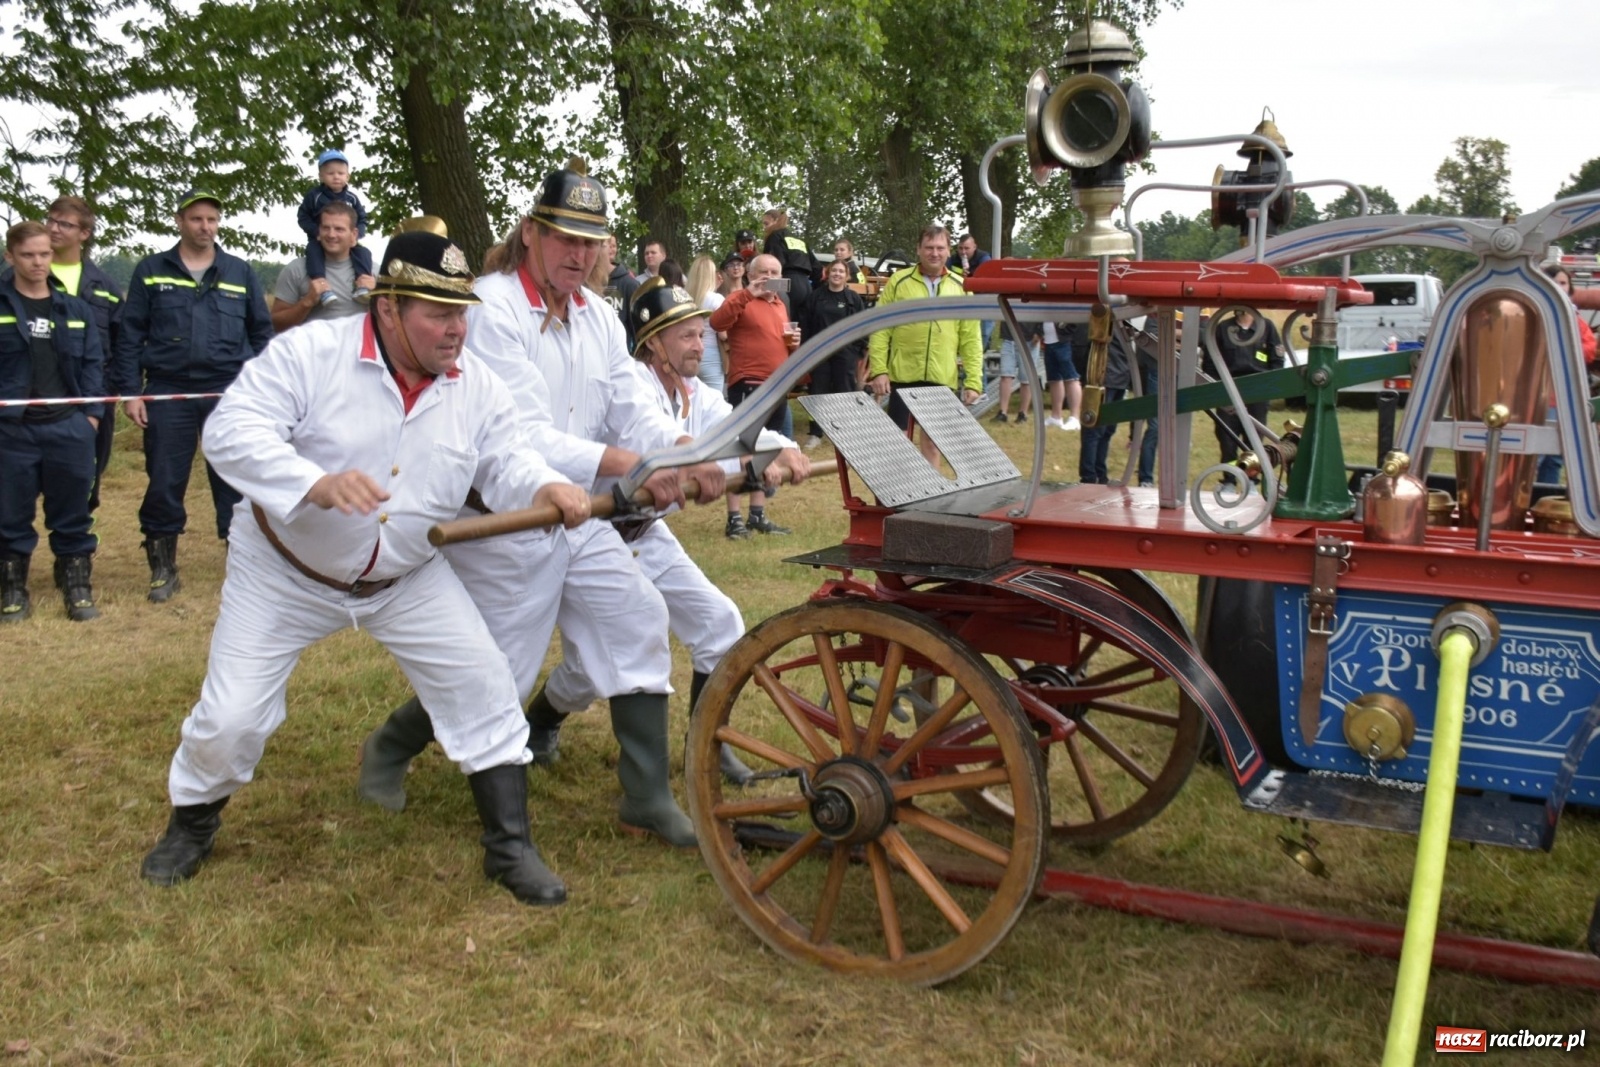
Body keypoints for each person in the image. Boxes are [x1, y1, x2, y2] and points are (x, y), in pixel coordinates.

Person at [137, 230, 590, 906]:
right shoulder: (310, 352)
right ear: (385, 307)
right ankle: (191, 823)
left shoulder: (477, 383)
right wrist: (308, 481)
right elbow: (230, 431)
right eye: (437, 312)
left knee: (485, 685)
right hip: (285, 570)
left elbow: (506, 457)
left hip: (407, 577)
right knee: (232, 716)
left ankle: (510, 847)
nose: (455, 328)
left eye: (461, 311)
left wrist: (545, 487)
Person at [358, 161, 729, 850]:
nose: (579, 255)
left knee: (637, 612)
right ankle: (389, 745)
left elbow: (630, 407)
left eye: (591, 242)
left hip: (580, 512)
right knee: (496, 670)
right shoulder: (491, 308)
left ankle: (644, 797)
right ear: (531, 232)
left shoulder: (597, 317)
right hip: (503, 516)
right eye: (565, 238)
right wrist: (634, 465)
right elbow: (523, 433)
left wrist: (679, 449)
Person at [627, 277, 810, 779]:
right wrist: (699, 456)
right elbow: (652, 433)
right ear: (653, 343)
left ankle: (706, 745)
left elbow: (734, 425)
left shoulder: (693, 391)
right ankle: (543, 723)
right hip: (595, 534)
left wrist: (778, 446)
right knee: (585, 666)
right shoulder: (631, 383)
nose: (699, 342)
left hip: (645, 531)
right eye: (685, 334)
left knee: (719, 621)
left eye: (699, 333)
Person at [110, 188, 273, 602]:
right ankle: (163, 568)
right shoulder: (151, 270)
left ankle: (244, 563)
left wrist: (259, 389)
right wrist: (132, 393)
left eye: (212, 220)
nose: (205, 227)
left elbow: (261, 334)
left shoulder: (240, 271)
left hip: (229, 392)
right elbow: (130, 335)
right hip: (169, 391)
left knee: (234, 481)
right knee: (165, 479)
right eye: (197, 219)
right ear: (180, 221)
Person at [0, 221, 106, 623]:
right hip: (12, 430)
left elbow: (95, 365)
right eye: (28, 255)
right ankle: (12, 590)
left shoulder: (74, 308)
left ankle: (77, 586)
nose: (38, 262)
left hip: (69, 428)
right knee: (9, 513)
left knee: (73, 512)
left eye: (44, 254)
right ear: (11, 257)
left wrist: (92, 417)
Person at [867, 224, 982, 465]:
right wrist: (879, 370)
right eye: (929, 247)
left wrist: (973, 381)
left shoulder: (961, 287)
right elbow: (880, 328)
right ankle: (898, 495)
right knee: (899, 441)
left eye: (940, 248)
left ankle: (932, 499)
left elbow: (971, 339)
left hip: (941, 376)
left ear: (948, 251)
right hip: (903, 374)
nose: (934, 253)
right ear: (918, 250)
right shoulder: (899, 282)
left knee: (933, 442)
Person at [42, 196, 122, 515]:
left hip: (90, 399)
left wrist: (109, 393)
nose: (53, 228)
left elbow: (123, 344)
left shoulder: (105, 287)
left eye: (64, 223)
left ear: (85, 233)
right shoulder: (16, 280)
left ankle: (76, 555)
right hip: (33, 397)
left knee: (84, 480)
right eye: (50, 220)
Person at [709, 253, 795, 537]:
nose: (770, 276)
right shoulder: (740, 299)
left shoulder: (780, 304)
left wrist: (794, 342)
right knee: (741, 449)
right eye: (765, 271)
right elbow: (716, 322)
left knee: (767, 448)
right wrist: (747, 293)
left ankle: (757, 514)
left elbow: (778, 343)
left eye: (775, 270)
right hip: (748, 384)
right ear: (750, 274)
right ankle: (734, 518)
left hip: (777, 385)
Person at [1537, 265, 1598, 484]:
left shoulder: (1575, 317)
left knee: (1555, 457)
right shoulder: (1534, 312)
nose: (1559, 287)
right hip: (1538, 396)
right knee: (1537, 453)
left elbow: (1589, 348)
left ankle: (1546, 498)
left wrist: (1564, 349)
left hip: (1565, 396)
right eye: (1555, 282)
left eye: (1563, 283)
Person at [797, 259, 867, 449]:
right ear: (827, 273)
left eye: (841, 271)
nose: (837, 274)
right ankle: (816, 433)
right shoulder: (815, 297)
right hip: (819, 353)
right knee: (817, 392)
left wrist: (858, 349)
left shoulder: (853, 298)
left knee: (845, 392)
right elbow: (805, 325)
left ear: (847, 275)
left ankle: (845, 433)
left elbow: (863, 326)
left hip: (845, 353)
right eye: (833, 270)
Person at [271, 202, 374, 329]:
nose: (331, 235)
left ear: (354, 235)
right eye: (326, 228)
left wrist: (378, 295)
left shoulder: (374, 272)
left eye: (339, 229)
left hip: (360, 348)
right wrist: (307, 302)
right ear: (319, 231)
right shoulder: (296, 270)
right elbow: (275, 324)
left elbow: (396, 323)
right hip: (310, 348)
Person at [1078, 317, 1155, 484]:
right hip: (1105, 378)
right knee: (1096, 430)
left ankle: (1098, 473)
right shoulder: (1111, 316)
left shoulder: (1126, 319)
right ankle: (1090, 476)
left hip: (1118, 377)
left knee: (1106, 431)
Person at [1203, 308, 1284, 464]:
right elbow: (1210, 363)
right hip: (1228, 391)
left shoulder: (1267, 327)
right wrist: (1216, 390)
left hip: (1257, 391)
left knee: (1254, 439)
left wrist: (1269, 387)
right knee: (1226, 437)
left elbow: (1277, 361)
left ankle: (1252, 478)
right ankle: (1229, 479)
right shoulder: (1223, 328)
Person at [297, 150, 373, 306]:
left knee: (364, 252)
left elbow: (362, 218)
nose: (336, 177)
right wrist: (315, 231)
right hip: (319, 240)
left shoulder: (352, 198)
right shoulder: (314, 196)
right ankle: (323, 288)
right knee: (313, 252)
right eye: (330, 173)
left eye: (340, 173)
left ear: (347, 176)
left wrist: (356, 236)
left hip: (347, 242)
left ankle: (362, 285)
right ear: (321, 176)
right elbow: (303, 217)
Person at [761, 207, 817, 307]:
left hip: (786, 284)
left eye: (766, 224)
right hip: (807, 286)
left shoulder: (774, 237)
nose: (764, 228)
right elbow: (817, 268)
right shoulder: (798, 240)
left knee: (785, 318)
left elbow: (775, 265)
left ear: (775, 221)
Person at [686, 254, 726, 394]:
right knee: (715, 403)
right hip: (711, 354)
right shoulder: (717, 299)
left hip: (687, 352)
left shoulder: (685, 298)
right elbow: (723, 335)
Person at [991, 319, 1043, 424]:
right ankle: (1002, 412)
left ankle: (1023, 413)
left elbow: (1042, 311)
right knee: (1005, 375)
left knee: (1026, 379)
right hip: (1009, 337)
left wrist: (1039, 332)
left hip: (1029, 338)